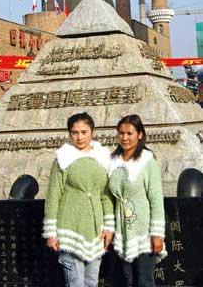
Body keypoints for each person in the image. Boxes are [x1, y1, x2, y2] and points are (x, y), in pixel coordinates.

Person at [43, 112, 115, 287]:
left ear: (92, 132)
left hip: (96, 230)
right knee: (75, 282)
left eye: (84, 132)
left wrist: (109, 228)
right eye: (75, 132)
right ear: (69, 134)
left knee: (91, 282)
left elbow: (106, 195)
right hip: (70, 228)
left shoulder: (102, 157)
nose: (79, 137)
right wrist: (51, 233)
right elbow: (53, 196)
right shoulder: (63, 158)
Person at [108, 114, 167, 287]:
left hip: (144, 232)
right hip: (122, 232)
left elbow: (156, 200)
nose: (124, 138)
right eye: (121, 133)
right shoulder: (112, 162)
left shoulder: (148, 162)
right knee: (126, 280)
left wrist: (157, 235)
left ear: (140, 135)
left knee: (144, 281)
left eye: (129, 133)